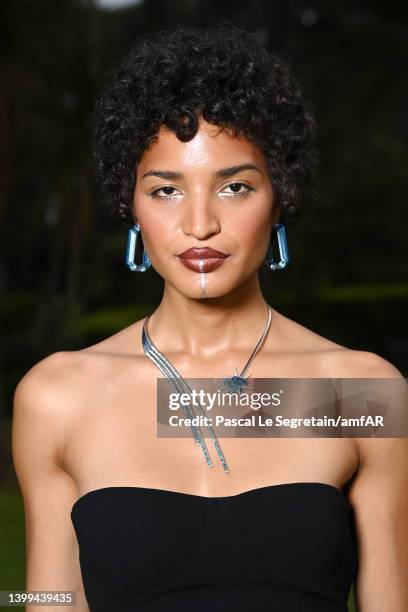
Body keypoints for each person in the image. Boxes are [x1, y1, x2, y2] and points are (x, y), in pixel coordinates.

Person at [12, 21, 407, 612]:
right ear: (131, 205)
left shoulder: (358, 393)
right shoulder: (57, 396)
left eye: (235, 187)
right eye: (166, 190)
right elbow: (44, 597)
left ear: (280, 197)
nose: (200, 224)